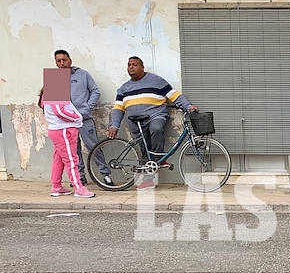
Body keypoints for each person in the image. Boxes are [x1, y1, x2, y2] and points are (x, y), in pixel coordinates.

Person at [106, 57, 197, 190]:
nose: (131, 67)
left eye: (134, 65)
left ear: (142, 67)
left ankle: (158, 158)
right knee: (145, 152)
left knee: (156, 128)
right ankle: (148, 181)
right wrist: (114, 125)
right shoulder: (123, 88)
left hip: (155, 115)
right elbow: (118, 109)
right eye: (129, 65)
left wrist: (188, 106)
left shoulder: (157, 81)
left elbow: (174, 96)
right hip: (135, 123)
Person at [51, 50, 111, 186]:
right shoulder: (54, 78)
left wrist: (87, 107)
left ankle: (105, 175)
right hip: (65, 121)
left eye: (64, 60)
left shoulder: (82, 74)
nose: (61, 63)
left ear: (70, 60)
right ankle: (80, 177)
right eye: (58, 61)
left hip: (84, 118)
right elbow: (52, 105)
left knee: (93, 147)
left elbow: (95, 91)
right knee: (73, 151)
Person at [38, 91, 95, 199]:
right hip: (64, 130)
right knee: (71, 160)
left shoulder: (49, 92)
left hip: (59, 130)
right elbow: (59, 111)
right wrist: (76, 118)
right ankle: (79, 188)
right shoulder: (56, 90)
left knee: (58, 159)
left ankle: (56, 187)